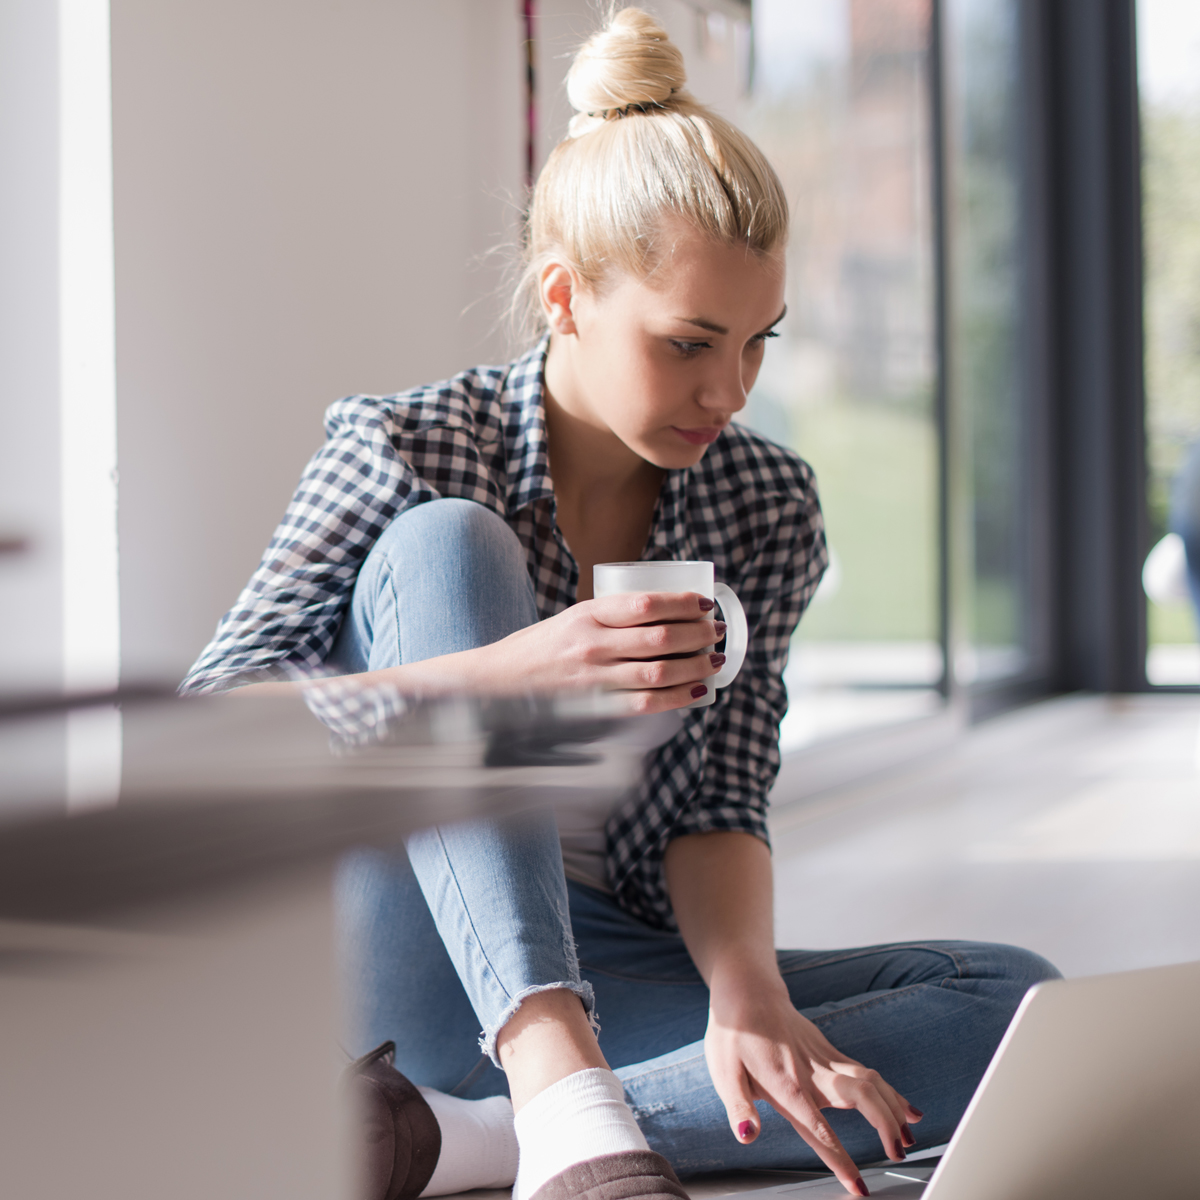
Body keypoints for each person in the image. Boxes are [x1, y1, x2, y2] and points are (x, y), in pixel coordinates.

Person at [181, 10, 1059, 1199]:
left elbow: (722, 801)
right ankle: (548, 1086)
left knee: (1011, 1004)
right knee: (451, 544)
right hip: (406, 949)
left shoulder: (762, 503)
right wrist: (507, 674)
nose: (728, 390)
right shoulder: (413, 444)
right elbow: (210, 726)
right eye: (690, 342)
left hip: (618, 955)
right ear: (564, 297)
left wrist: (749, 1001)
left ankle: (453, 1138)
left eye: (758, 344)